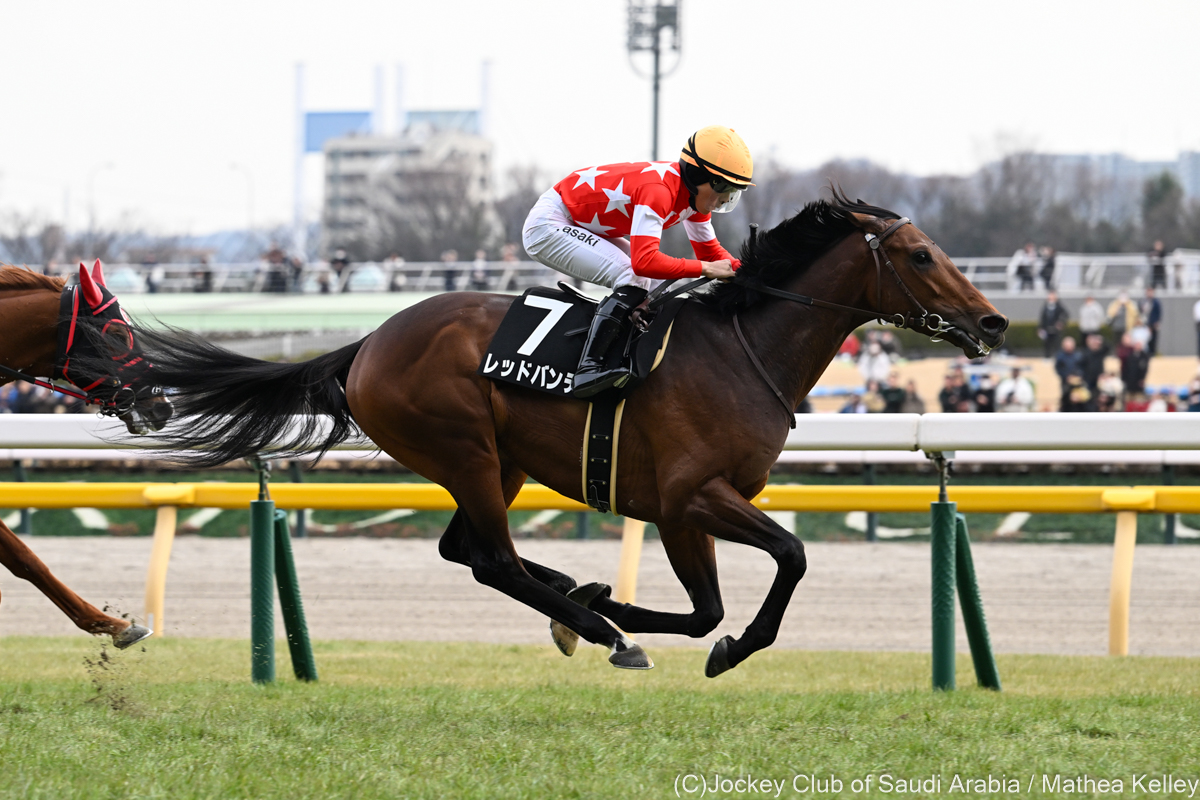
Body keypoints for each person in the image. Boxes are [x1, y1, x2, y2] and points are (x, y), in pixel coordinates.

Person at [522, 125, 750, 397]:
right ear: (697, 175)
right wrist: (705, 269)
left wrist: (751, 272)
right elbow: (645, 261)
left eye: (734, 191)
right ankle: (589, 368)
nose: (725, 199)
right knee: (633, 276)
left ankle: (632, 355)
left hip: (580, 221)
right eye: (724, 187)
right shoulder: (659, 191)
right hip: (549, 223)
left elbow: (711, 253)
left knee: (651, 283)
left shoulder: (695, 200)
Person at [1037, 291, 1070, 359]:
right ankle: (1047, 357)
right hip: (1047, 330)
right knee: (1047, 345)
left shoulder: (1059, 307)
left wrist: (1061, 323)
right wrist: (1040, 328)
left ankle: (1058, 358)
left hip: (1056, 330)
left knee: (1057, 345)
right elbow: (1042, 318)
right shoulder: (1045, 307)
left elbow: (1066, 315)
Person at [1139, 287, 1163, 356]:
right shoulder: (1144, 301)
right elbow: (1141, 312)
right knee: (1145, 340)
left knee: (1153, 340)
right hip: (1145, 324)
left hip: (1153, 325)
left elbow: (1159, 313)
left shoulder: (1156, 302)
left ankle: (1153, 354)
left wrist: (1156, 323)